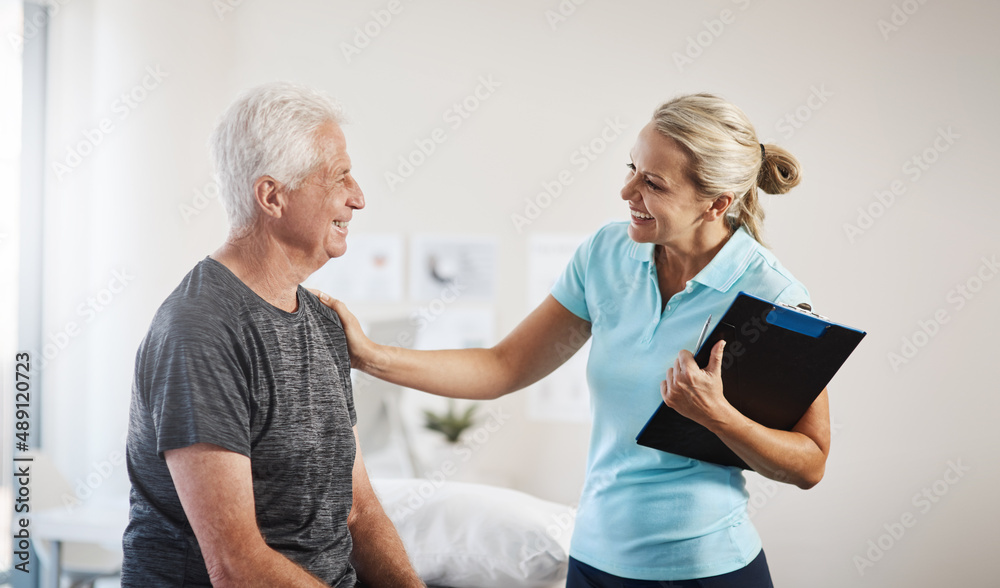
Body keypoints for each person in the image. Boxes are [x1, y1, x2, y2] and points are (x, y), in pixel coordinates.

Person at [316, 93, 829, 587]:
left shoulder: (773, 296)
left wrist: (719, 416)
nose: (627, 193)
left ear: (716, 203)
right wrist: (370, 356)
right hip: (593, 562)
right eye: (631, 169)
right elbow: (503, 367)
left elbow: (809, 463)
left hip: (702, 570)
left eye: (652, 182)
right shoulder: (608, 254)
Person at [122, 82, 424, 587]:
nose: (359, 198)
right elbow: (236, 566)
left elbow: (359, 511)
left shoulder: (323, 321)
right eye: (340, 177)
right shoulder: (199, 333)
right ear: (272, 196)